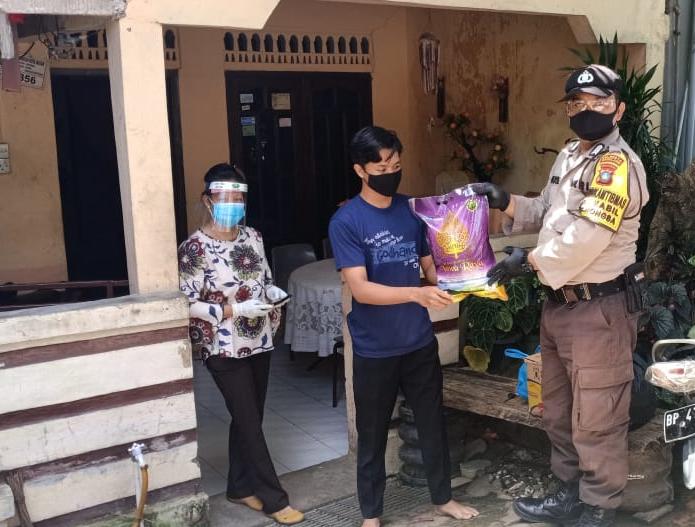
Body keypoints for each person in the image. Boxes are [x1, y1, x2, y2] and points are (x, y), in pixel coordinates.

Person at [473, 64, 649, 527]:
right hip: (560, 307)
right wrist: (505, 201)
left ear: (619, 109)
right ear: (568, 109)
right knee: (559, 411)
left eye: (599, 102)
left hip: (599, 310)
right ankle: (570, 494)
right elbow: (548, 211)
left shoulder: (616, 166)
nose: (587, 110)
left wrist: (528, 261)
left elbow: (587, 237)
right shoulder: (572, 154)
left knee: (597, 417)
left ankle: (599, 509)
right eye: (578, 102)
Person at [329, 126, 480, 527]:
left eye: (395, 165)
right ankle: (371, 515)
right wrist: (416, 294)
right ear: (360, 170)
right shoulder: (346, 221)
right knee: (372, 434)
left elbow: (429, 267)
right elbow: (361, 289)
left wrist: (463, 273)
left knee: (432, 422)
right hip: (374, 348)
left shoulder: (412, 210)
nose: (390, 173)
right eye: (381, 167)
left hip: (417, 341)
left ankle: (443, 498)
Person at [178, 163, 304, 525]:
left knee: (249, 415)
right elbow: (187, 303)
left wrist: (273, 294)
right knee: (249, 421)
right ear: (207, 200)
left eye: (238, 198)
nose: (232, 204)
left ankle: (239, 487)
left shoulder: (253, 237)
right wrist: (232, 309)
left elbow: (264, 279)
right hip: (222, 346)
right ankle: (274, 498)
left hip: (258, 338)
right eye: (225, 197)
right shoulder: (194, 248)